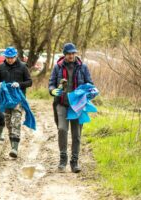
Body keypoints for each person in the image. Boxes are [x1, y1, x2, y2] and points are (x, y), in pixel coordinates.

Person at [48, 43, 94, 173]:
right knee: (62, 129)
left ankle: (74, 161)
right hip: (61, 103)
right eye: (69, 54)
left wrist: (89, 90)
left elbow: (90, 83)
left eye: (73, 53)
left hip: (77, 106)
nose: (71, 56)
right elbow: (51, 84)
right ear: (64, 54)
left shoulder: (82, 67)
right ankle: (63, 158)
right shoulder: (57, 67)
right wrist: (52, 91)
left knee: (77, 135)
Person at [0, 47, 32, 158]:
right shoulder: (1, 67)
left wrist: (19, 84)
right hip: (5, 100)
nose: (10, 60)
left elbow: (30, 82)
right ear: (5, 57)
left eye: (12, 58)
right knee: (9, 123)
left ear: (16, 56)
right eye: (8, 58)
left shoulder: (23, 67)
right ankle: (12, 146)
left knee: (16, 121)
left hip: (18, 99)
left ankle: (15, 148)